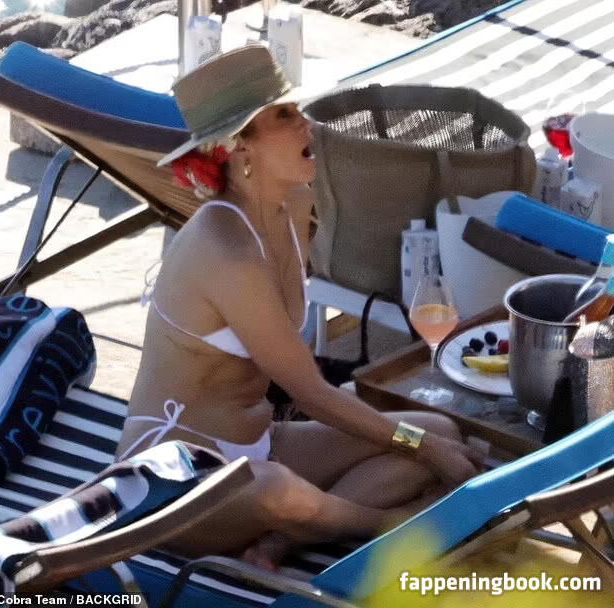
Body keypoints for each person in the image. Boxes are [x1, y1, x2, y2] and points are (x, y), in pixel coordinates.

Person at [116, 45, 484, 569]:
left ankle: (284, 541)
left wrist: (425, 443)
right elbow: (310, 392)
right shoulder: (223, 249)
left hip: (260, 444)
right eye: (284, 116)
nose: (306, 123)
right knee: (282, 487)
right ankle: (389, 524)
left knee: (440, 431)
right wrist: (422, 449)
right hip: (173, 477)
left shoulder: (293, 204)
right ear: (239, 146)